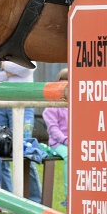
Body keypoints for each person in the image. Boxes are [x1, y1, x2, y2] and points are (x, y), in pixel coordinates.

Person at [0, 57, 42, 204]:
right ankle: (8, 201)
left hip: (23, 100)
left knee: (25, 150)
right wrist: (8, 72)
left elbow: (26, 68)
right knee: (0, 149)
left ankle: (34, 201)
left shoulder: (24, 46)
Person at [43, 68, 69, 206]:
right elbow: (53, 129)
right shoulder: (52, 106)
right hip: (59, 143)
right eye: (62, 82)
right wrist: (66, 140)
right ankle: (68, 195)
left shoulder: (78, 104)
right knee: (70, 157)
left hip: (76, 141)